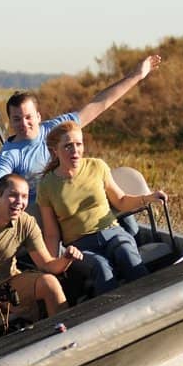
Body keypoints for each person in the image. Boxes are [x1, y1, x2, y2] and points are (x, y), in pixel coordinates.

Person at [0, 55, 162, 211]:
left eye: (28, 117)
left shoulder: (55, 128)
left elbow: (100, 104)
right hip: (47, 212)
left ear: (38, 116)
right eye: (17, 119)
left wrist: (136, 75)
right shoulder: (10, 155)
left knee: (119, 212)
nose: (24, 123)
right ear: (10, 121)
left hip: (76, 193)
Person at [0, 173, 82, 349]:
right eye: (13, 195)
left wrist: (66, 259)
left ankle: (67, 341)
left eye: (24, 196)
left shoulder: (26, 222)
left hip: (8, 283)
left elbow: (47, 265)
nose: (20, 202)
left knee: (50, 283)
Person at [37, 121, 167, 296]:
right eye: (68, 146)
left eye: (79, 144)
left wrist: (148, 198)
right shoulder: (46, 185)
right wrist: (52, 264)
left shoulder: (97, 166)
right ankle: (114, 308)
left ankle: (151, 298)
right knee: (101, 267)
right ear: (55, 151)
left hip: (112, 232)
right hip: (80, 246)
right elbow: (52, 233)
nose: (75, 151)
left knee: (125, 252)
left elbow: (121, 201)